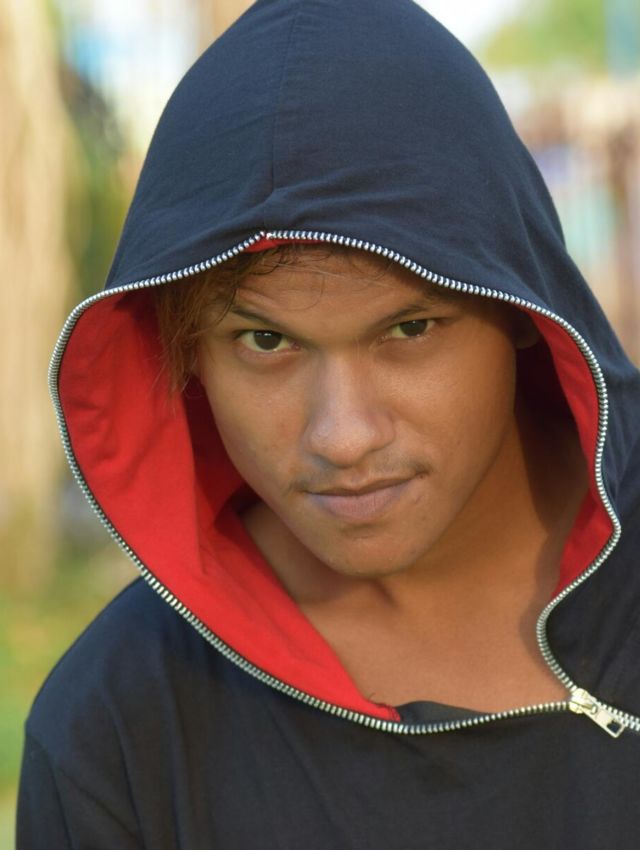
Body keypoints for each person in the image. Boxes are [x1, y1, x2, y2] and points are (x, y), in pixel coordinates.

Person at [17, 0, 640, 846]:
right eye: (266, 341)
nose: (343, 437)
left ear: (522, 311)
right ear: (188, 354)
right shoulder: (120, 732)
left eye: (410, 330)